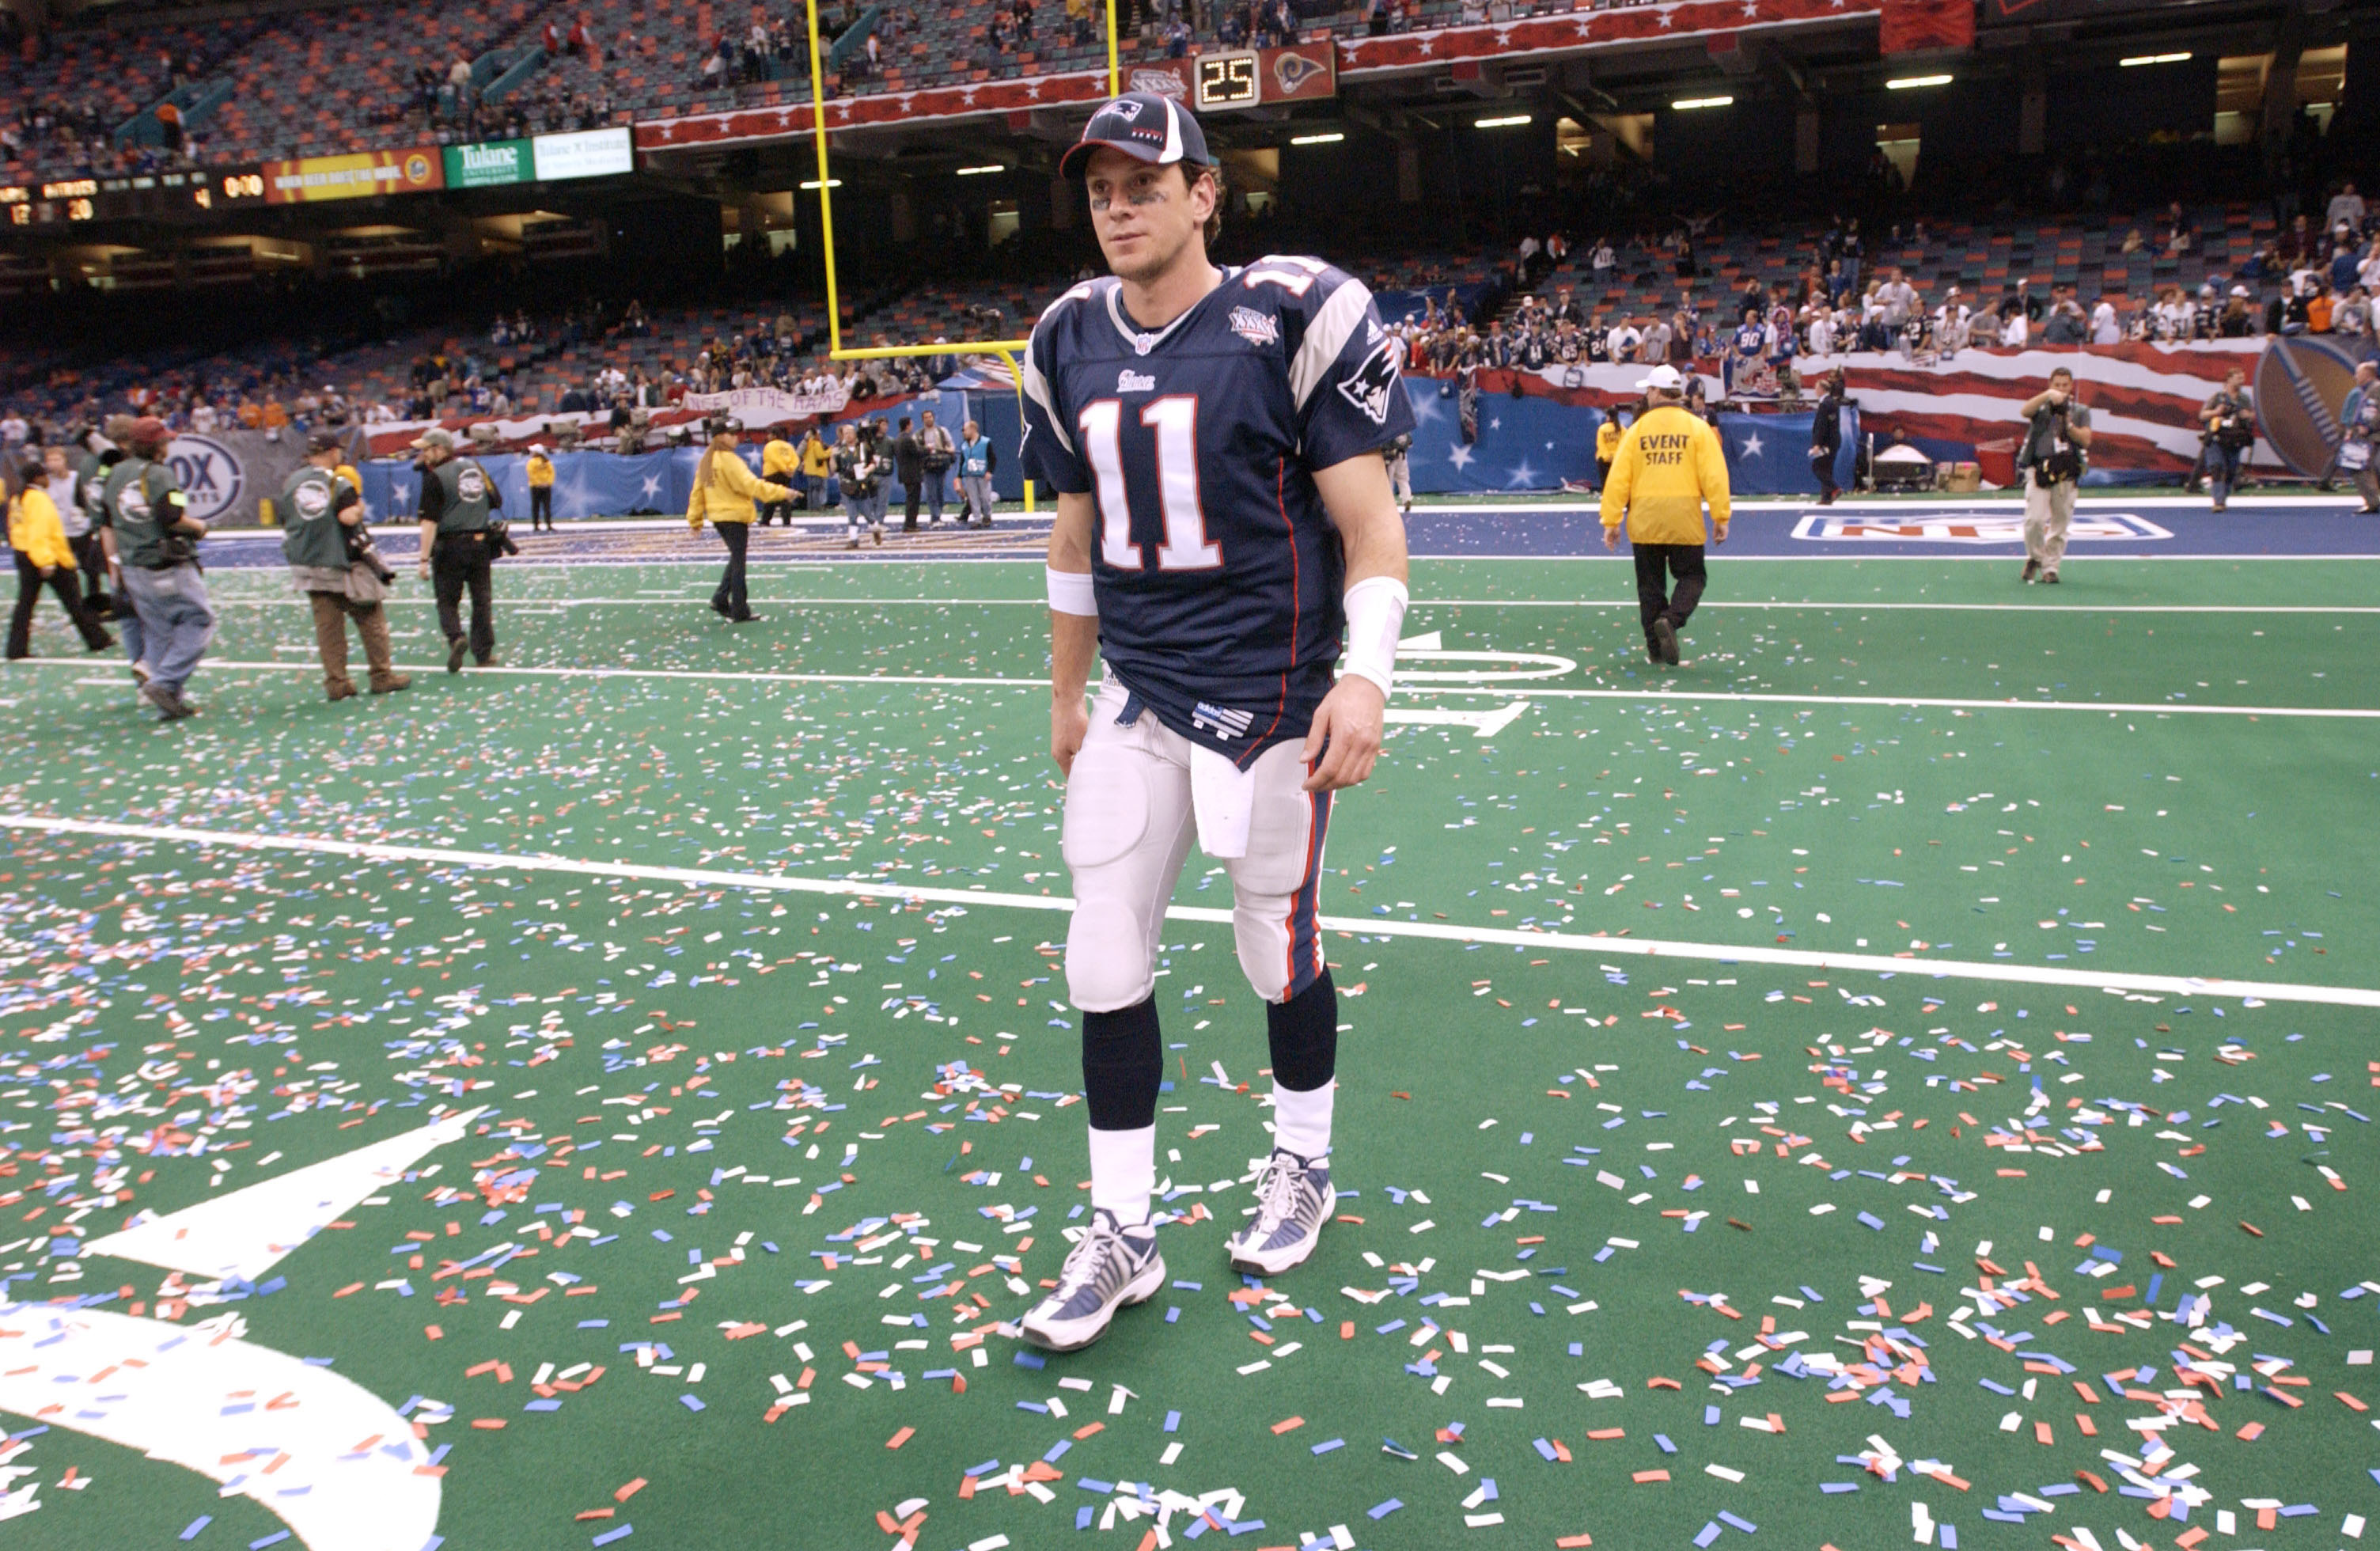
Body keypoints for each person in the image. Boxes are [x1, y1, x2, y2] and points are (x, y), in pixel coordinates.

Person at [1017, 93, 1415, 1354]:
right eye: (1101, 188)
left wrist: (1368, 677)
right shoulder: (1067, 334)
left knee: (1272, 949)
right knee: (1101, 953)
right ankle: (1120, 1230)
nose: (1120, 205)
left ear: (1205, 193)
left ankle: (1305, 1161)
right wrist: (1069, 691)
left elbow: (1369, 524)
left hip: (1275, 697)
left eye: (1148, 181)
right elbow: (1075, 537)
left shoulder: (1286, 313)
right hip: (1140, 686)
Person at [1600, 364, 1730, 667]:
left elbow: (1618, 478)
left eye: (1649, 390)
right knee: (1693, 576)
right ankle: (1671, 621)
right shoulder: (1697, 428)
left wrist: (1611, 521)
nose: (1646, 395)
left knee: (1650, 586)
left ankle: (1656, 650)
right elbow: (1714, 474)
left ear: (1657, 392)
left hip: (1645, 517)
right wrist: (1720, 516)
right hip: (1683, 515)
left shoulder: (1637, 431)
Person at [99, 416, 214, 719]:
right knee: (199, 621)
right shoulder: (160, 474)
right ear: (155, 445)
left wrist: (114, 567)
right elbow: (172, 516)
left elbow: (107, 524)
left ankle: (169, 701)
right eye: (165, 441)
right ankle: (164, 683)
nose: (169, 446)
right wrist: (200, 527)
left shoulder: (114, 474)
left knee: (159, 632)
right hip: (165, 563)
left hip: (132, 566)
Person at [281, 430, 407, 700]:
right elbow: (349, 517)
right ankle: (381, 675)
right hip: (343, 563)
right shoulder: (337, 482)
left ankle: (337, 683)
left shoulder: (293, 482)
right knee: (370, 618)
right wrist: (359, 505)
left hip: (308, 564)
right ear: (331, 452)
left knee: (328, 629)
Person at [411, 427, 504, 673]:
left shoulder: (435, 478)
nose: (422, 454)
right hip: (480, 544)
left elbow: (429, 522)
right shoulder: (476, 468)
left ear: (439, 449)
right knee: (482, 600)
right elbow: (497, 500)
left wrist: (423, 559)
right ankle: (483, 653)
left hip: (450, 546)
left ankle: (456, 637)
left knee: (447, 600)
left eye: (426, 449)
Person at [8, 458, 114, 662]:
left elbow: (18, 530)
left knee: (25, 604)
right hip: (48, 557)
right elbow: (39, 532)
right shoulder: (38, 499)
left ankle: (16, 647)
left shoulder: (18, 499)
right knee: (74, 601)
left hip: (25, 555)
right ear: (38, 478)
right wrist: (45, 561)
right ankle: (98, 639)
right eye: (44, 475)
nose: (48, 479)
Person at [686, 420, 790, 621]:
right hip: (734, 516)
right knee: (739, 563)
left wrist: (696, 520)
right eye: (732, 434)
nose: (737, 438)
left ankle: (721, 598)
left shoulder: (707, 460)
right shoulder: (729, 460)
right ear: (721, 437)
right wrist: (783, 492)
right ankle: (739, 609)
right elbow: (751, 485)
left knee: (736, 558)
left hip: (719, 517)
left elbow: (697, 492)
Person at [2017, 366, 2091, 584]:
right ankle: (2036, 557)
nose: (2061, 389)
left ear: (2071, 387)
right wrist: (2047, 396)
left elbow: (2086, 439)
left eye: (2064, 385)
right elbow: (2024, 411)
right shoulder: (2041, 408)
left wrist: (2068, 424)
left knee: (2060, 525)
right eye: (2056, 385)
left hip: (2066, 473)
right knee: (2033, 520)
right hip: (2040, 470)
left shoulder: (2079, 411)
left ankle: (2050, 568)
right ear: (2050, 385)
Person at [2198, 367, 2256, 513]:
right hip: (2218, 437)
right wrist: (2217, 412)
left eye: (2242, 378)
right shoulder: (2217, 397)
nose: (2241, 381)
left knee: (2230, 470)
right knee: (2217, 468)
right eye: (2238, 378)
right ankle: (2218, 501)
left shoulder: (2244, 399)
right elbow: (2202, 415)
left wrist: (2247, 415)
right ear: (2229, 379)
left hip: (2235, 439)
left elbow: (2252, 415)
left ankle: (2223, 496)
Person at [2337, 360, 2379, 514]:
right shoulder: (2363, 390)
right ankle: (2372, 501)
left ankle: (2373, 501)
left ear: (2367, 374)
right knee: (2356, 466)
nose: (2355, 376)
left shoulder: (2376, 389)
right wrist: (2352, 429)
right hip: (2363, 434)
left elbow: (2375, 413)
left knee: (2364, 467)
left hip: (2372, 435)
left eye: (2359, 373)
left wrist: (2368, 427)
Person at [833, 422, 884, 548]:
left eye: (850, 433)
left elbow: (873, 462)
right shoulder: (840, 452)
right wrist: (831, 457)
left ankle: (875, 530)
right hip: (848, 488)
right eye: (845, 434)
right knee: (852, 516)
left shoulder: (863, 448)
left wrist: (867, 470)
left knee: (868, 515)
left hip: (861, 486)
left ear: (855, 434)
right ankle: (854, 540)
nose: (848, 436)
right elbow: (835, 469)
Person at [1809, 371, 1846, 506]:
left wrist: (1817, 444)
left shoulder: (1825, 404)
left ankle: (1835, 488)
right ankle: (1826, 497)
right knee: (1826, 468)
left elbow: (1822, 426)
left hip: (1827, 442)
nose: (1815, 390)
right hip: (1833, 441)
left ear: (1821, 389)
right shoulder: (1833, 403)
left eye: (1816, 388)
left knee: (1817, 467)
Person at [915, 409, 955, 526]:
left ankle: (937, 514)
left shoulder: (942, 431)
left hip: (941, 464)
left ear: (934, 417)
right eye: (926, 417)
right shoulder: (919, 434)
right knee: (930, 492)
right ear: (923, 420)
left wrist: (949, 450)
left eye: (930, 417)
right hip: (927, 466)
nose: (929, 419)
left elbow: (951, 445)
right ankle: (936, 517)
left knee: (939, 492)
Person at [957, 418, 996, 527]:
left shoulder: (985, 442)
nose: (964, 432)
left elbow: (992, 458)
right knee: (973, 498)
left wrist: (989, 471)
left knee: (985, 497)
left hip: (982, 474)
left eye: (965, 430)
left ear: (973, 429)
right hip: (970, 475)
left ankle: (987, 516)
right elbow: (962, 461)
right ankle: (977, 519)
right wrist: (959, 476)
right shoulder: (965, 445)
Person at [892, 415, 927, 531]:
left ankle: (910, 523)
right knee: (913, 500)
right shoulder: (907, 439)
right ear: (908, 425)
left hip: (904, 473)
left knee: (911, 499)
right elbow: (917, 452)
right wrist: (928, 449)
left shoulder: (897, 439)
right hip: (912, 474)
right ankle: (910, 524)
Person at [758, 430, 799, 525]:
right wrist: (790, 470)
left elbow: (774, 459)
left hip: (772, 474)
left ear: (774, 435)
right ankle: (787, 520)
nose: (768, 436)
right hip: (786, 475)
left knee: (770, 496)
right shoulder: (788, 446)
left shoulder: (770, 446)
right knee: (786, 497)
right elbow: (795, 459)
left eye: (769, 434)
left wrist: (783, 469)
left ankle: (766, 520)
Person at [798, 426, 832, 511]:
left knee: (810, 490)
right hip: (817, 470)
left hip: (808, 470)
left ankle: (810, 507)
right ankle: (817, 507)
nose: (820, 437)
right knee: (817, 490)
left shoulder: (807, 444)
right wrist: (830, 451)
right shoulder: (816, 444)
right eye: (819, 435)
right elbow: (821, 456)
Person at [525, 443, 556, 531]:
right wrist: (548, 483)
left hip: (535, 487)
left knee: (535, 506)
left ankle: (535, 525)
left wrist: (538, 483)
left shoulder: (531, 462)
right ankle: (548, 524)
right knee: (547, 506)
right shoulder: (547, 461)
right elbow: (552, 473)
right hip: (546, 487)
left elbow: (531, 474)